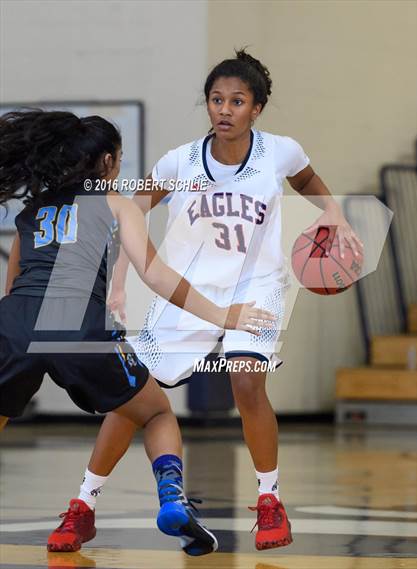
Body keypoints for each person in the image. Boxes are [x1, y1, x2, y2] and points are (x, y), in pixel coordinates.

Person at [51, 49, 363, 552]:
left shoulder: (280, 152)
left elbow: (304, 178)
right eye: (217, 99)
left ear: (256, 108)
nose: (224, 109)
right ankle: (83, 506)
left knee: (245, 382)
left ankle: (269, 500)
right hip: (189, 291)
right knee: (132, 399)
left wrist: (334, 214)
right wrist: (119, 279)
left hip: (255, 287)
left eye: (236, 101)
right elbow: (131, 213)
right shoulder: (178, 161)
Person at [0, 109, 275, 555]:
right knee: (156, 413)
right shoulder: (116, 204)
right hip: (75, 325)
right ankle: (171, 497)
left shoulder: (32, 211)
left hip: (12, 323)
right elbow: (157, 275)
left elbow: (14, 284)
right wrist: (222, 314)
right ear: (107, 162)